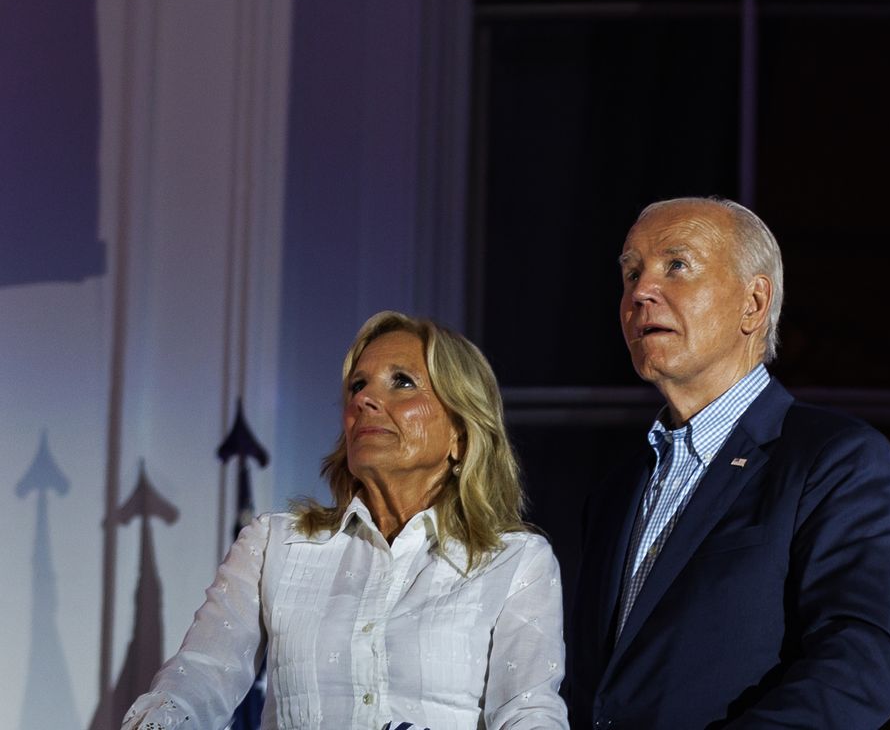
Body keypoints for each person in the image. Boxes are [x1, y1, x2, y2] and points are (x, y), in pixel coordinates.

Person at [122, 311, 566, 730]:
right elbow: (199, 678)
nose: (365, 400)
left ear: (461, 434)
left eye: (402, 382)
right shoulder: (274, 544)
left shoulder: (515, 561)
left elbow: (529, 713)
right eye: (357, 385)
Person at [565, 196, 890, 729]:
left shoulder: (833, 459)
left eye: (676, 265)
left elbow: (860, 663)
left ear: (753, 303)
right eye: (632, 273)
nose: (641, 292)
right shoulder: (616, 490)